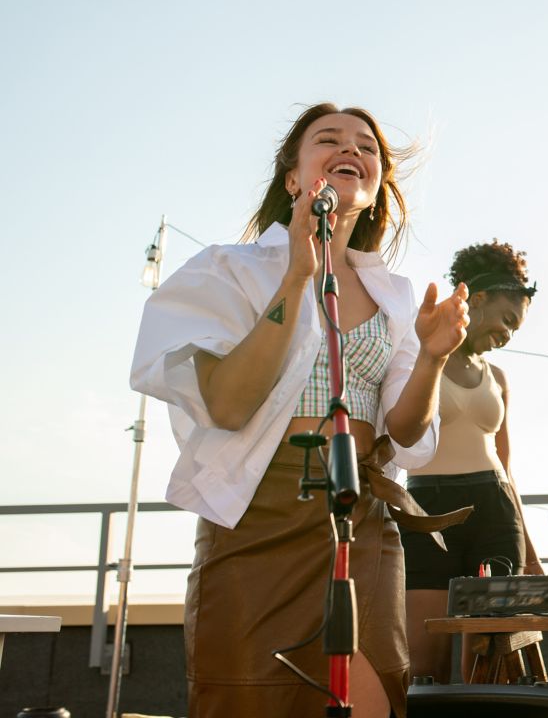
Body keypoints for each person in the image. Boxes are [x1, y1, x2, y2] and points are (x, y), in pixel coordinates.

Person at [131, 103, 472, 718]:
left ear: (376, 187)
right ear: (293, 177)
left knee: (372, 700)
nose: (353, 150)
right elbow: (230, 405)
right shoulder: (227, 271)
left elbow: (404, 432)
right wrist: (296, 275)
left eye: (367, 147)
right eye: (330, 140)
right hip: (259, 516)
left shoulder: (394, 295)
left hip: (360, 516)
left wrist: (432, 359)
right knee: (248, 696)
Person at [401, 240, 542, 683]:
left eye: (516, 328)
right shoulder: (418, 354)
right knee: (424, 669)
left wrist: (533, 555)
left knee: (489, 665)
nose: (508, 334)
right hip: (426, 514)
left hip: (494, 514)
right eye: (507, 320)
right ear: (476, 301)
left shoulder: (497, 377)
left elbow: (505, 465)